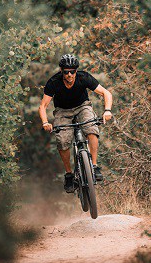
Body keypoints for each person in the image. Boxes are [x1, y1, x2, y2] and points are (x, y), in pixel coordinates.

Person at [39, 54, 113, 193]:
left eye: (72, 71)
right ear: (61, 71)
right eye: (66, 72)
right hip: (62, 111)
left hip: (82, 106)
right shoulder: (54, 82)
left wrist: (107, 111)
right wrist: (45, 122)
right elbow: (43, 106)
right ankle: (68, 174)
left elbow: (106, 93)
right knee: (62, 140)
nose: (69, 75)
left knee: (92, 129)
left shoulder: (83, 77)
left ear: (76, 71)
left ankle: (94, 165)